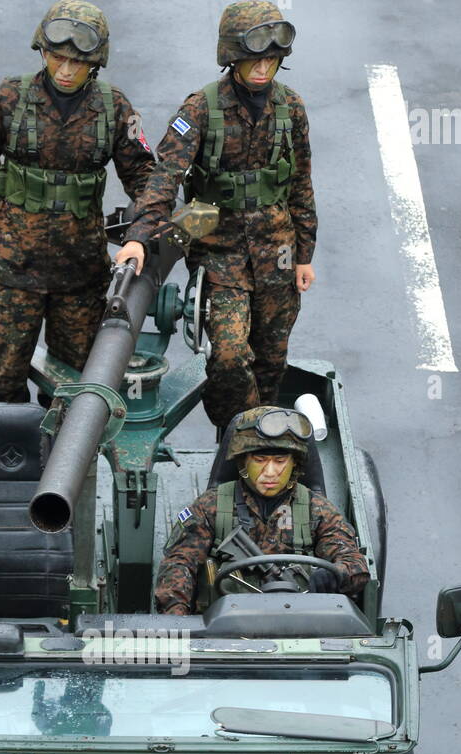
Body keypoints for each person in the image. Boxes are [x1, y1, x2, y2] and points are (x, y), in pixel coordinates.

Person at [115, 2, 316, 434]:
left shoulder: (291, 108)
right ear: (232, 57)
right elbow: (165, 175)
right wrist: (139, 235)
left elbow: (300, 184)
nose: (263, 68)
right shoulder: (202, 109)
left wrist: (304, 255)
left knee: (271, 358)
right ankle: (236, 435)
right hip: (215, 242)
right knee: (228, 355)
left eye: (270, 59)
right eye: (252, 59)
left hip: (277, 251)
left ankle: (265, 443)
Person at [0, 2, 155, 404]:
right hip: (15, 268)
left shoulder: (114, 109)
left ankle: (62, 462)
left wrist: (140, 237)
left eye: (77, 63)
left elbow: (147, 181)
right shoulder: (6, 99)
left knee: (75, 385)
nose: (65, 71)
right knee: (3, 376)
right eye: (57, 58)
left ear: (95, 63)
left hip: (80, 273)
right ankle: (7, 460)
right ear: (42, 52)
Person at [154, 407, 369, 615]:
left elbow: (354, 564)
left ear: (295, 463)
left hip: (302, 625)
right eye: (259, 460)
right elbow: (179, 564)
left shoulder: (317, 509)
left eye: (280, 461)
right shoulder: (211, 506)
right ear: (243, 462)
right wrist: (177, 622)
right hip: (225, 630)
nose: (270, 472)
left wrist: (336, 574)